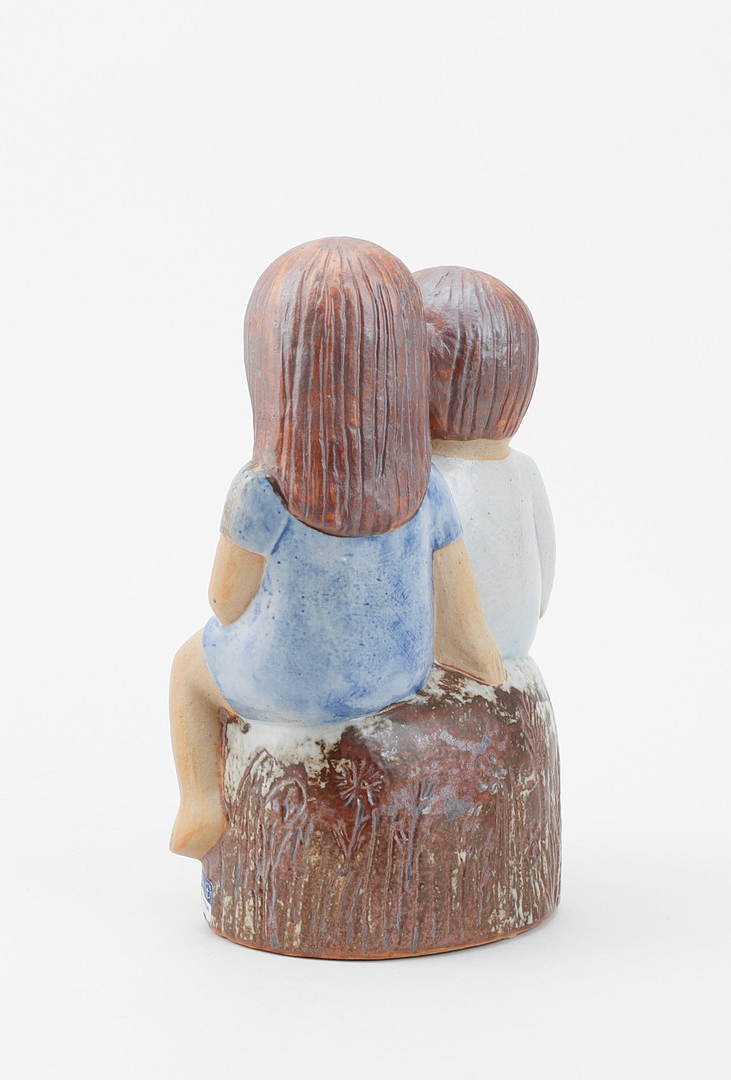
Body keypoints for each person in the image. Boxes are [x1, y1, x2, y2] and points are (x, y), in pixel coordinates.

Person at [170, 238, 504, 861]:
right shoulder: (427, 484)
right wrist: (490, 669)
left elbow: (224, 603)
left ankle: (199, 804)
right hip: (398, 676)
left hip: (288, 685)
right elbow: (463, 620)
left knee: (189, 668)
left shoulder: (261, 492)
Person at [415, 265, 556, 659]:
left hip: (443, 662)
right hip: (514, 651)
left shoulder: (419, 482)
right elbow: (543, 592)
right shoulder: (524, 471)